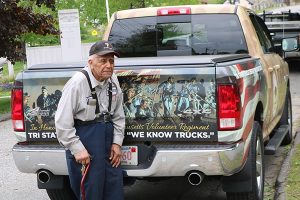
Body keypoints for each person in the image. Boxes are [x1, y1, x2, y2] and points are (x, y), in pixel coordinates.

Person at [55, 40, 125, 200]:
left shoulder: (112, 79)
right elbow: (62, 123)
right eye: (103, 61)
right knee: (90, 191)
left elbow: (119, 115)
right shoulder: (77, 83)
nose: (108, 65)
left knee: (114, 190)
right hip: (85, 140)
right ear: (90, 62)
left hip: (108, 139)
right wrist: (77, 149)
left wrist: (117, 142)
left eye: (111, 61)